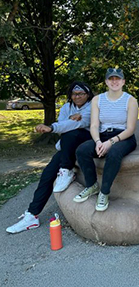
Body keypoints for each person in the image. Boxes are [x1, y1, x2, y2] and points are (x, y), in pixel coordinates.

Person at [6, 81, 94, 234]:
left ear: (88, 95)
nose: (77, 96)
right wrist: (63, 124)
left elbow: (81, 123)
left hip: (86, 143)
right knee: (47, 174)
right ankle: (32, 215)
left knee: (73, 131)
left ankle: (66, 170)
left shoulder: (93, 105)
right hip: (69, 146)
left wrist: (52, 127)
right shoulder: (67, 107)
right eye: (74, 94)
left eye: (81, 94)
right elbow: (64, 126)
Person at [73, 68, 138, 212]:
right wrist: (97, 142)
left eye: (117, 79)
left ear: (123, 82)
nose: (114, 82)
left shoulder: (130, 100)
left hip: (123, 137)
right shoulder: (98, 99)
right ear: (106, 82)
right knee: (82, 150)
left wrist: (111, 142)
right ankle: (92, 185)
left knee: (114, 153)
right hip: (102, 135)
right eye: (111, 79)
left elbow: (130, 129)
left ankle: (104, 192)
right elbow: (94, 125)